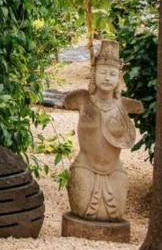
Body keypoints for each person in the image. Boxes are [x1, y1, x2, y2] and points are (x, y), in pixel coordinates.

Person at [64, 40, 143, 222]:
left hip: (114, 169)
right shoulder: (80, 99)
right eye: (103, 72)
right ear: (94, 74)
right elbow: (67, 101)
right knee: (82, 210)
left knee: (116, 214)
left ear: (118, 78)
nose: (107, 78)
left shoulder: (126, 105)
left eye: (112, 74)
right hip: (85, 166)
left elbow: (140, 108)